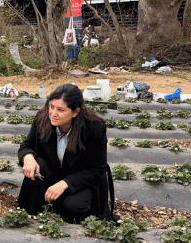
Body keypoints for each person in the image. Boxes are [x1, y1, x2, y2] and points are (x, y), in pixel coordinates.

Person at [17, 84, 117, 223]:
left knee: (73, 207)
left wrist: (66, 183)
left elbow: (97, 169)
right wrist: (28, 157)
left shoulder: (94, 128)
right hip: (52, 174)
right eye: (51, 106)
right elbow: (27, 146)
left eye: (60, 109)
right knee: (37, 164)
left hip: (79, 180)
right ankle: (38, 208)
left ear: (75, 112)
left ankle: (57, 204)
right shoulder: (42, 119)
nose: (53, 113)